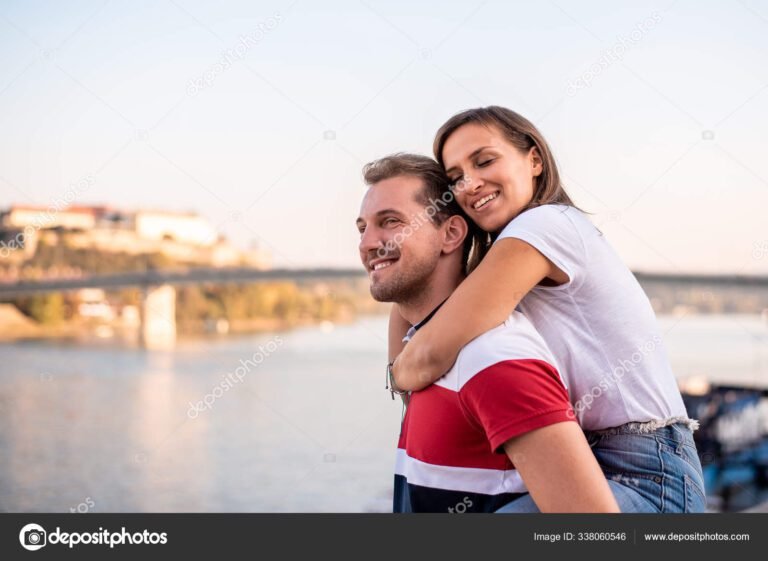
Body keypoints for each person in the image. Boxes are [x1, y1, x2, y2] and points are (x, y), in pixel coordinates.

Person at [388, 106, 707, 513]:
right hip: (586, 457)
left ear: (534, 160)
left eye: (484, 161)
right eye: (455, 178)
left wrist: (398, 373)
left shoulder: (546, 225)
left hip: (647, 475)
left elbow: (429, 355)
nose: (470, 184)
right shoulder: (503, 260)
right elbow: (418, 308)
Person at [356, 153, 619, 513]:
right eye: (362, 228)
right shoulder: (424, 350)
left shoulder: (493, 358)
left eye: (390, 222)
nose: (368, 243)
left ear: (451, 234)